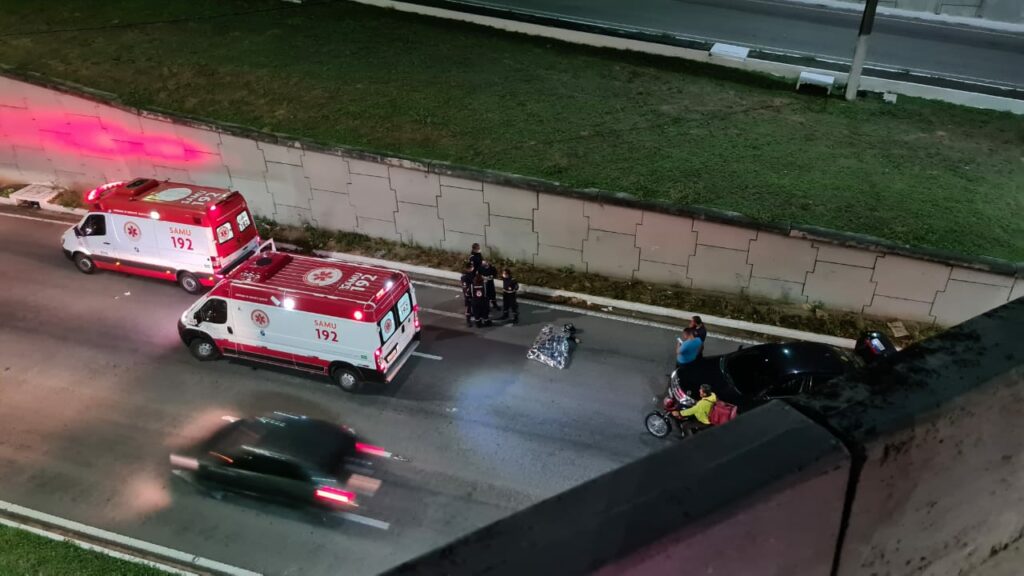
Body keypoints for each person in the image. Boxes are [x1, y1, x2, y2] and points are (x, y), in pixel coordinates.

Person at [460, 263, 476, 327]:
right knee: (468, 307)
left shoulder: (471, 274)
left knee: (473, 304)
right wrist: (467, 295)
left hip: (473, 292)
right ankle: (468, 320)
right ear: (467, 268)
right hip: (468, 294)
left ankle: (472, 313)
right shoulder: (464, 277)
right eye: (471, 267)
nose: (472, 268)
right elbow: (465, 288)